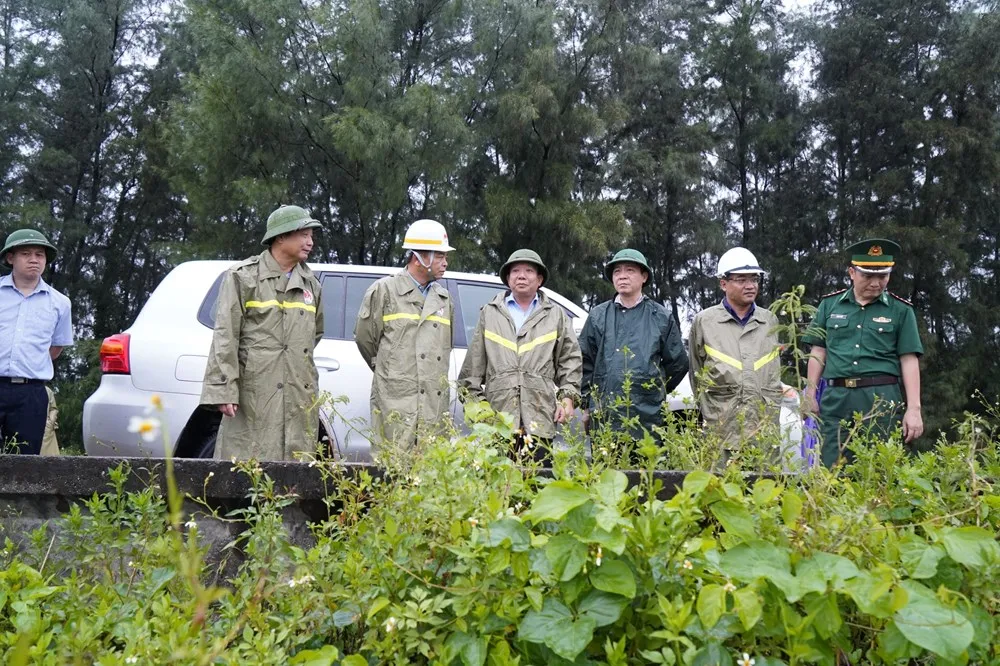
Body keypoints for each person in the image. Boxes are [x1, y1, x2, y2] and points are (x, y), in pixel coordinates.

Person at [200, 205, 324, 461]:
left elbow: (314, 334)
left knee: (295, 469)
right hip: (254, 392)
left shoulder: (311, 284)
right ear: (281, 236)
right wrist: (225, 390)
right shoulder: (243, 277)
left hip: (298, 391)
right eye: (304, 234)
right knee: (246, 463)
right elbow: (226, 335)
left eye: (312, 236)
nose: (310, 242)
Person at [802, 239, 924, 467]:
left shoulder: (901, 310)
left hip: (880, 399)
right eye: (868, 276)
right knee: (832, 468)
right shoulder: (829, 306)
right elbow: (818, 351)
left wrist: (914, 409)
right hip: (836, 398)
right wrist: (809, 394)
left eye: (883, 276)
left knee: (877, 470)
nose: (876, 283)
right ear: (852, 272)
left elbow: (909, 360)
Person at [458, 249, 582, 462]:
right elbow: (471, 371)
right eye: (515, 271)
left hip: (539, 416)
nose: (521, 275)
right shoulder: (490, 313)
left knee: (536, 483)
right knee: (500, 485)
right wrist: (481, 410)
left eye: (528, 271)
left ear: (540, 279)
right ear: (508, 278)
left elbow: (569, 360)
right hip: (499, 418)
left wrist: (567, 397)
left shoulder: (555, 315)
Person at [354, 219, 456, 448]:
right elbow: (365, 339)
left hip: (433, 401)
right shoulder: (384, 291)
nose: (445, 263)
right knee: (393, 465)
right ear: (420, 257)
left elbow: (445, 346)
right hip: (396, 399)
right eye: (440, 256)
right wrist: (389, 370)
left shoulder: (444, 298)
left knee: (432, 469)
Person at [579, 249, 688, 446]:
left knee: (648, 473)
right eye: (617, 271)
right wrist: (588, 403)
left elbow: (678, 362)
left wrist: (653, 388)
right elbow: (584, 361)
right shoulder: (598, 316)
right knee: (607, 474)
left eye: (630, 270)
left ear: (644, 276)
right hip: (606, 413)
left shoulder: (661, 317)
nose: (622, 276)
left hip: (649, 416)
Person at [688, 247, 783, 461]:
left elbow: (773, 373)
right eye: (741, 280)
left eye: (754, 279)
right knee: (720, 490)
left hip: (764, 427)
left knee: (766, 489)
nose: (750, 286)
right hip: (722, 429)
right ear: (723, 283)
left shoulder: (769, 320)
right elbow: (696, 373)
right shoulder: (705, 322)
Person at [0, 228, 73, 455]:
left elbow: (55, 348)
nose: (34, 260)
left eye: (39, 254)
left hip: (31, 393)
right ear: (10, 258)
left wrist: (26, 365)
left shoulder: (60, 303)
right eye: (26, 253)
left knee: (26, 462)